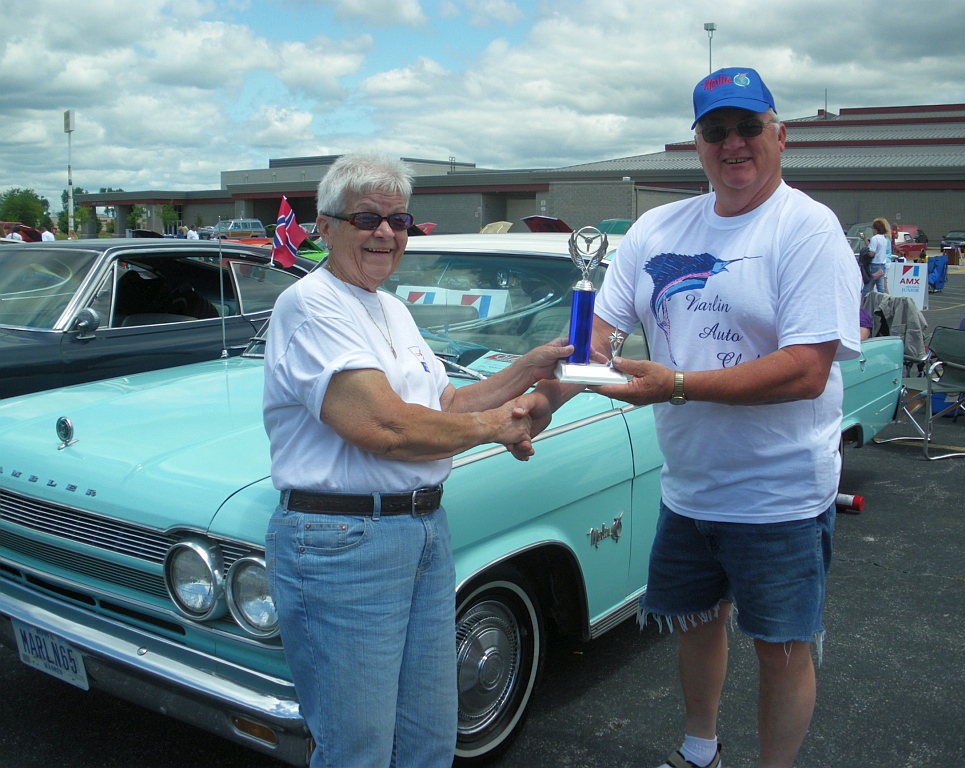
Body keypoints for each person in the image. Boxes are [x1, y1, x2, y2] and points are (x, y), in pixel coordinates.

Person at [516, 67, 860, 768]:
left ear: (780, 136)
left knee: (782, 649)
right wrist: (538, 404)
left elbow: (806, 369)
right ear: (697, 143)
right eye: (716, 130)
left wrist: (676, 385)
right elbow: (597, 341)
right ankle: (700, 749)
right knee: (697, 624)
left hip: (780, 495)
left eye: (748, 127)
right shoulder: (657, 228)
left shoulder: (807, 228)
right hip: (690, 488)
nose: (733, 143)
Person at [262, 151, 570, 768]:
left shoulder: (392, 308)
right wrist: (497, 428)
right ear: (324, 227)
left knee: (429, 738)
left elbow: (445, 404)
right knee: (358, 752)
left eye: (398, 220)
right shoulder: (311, 303)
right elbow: (385, 427)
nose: (385, 232)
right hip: (344, 544)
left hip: (422, 531)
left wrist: (526, 369)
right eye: (367, 218)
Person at [861, 218, 890, 294]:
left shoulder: (874, 238)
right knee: (881, 288)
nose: (872, 230)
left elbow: (872, 253)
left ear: (876, 229)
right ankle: (883, 300)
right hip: (882, 264)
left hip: (874, 264)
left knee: (867, 286)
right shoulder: (884, 238)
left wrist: (865, 254)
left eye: (873, 228)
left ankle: (863, 300)